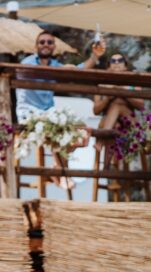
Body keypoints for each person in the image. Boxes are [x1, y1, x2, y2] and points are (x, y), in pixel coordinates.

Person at [16, 31, 105, 189]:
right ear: (36, 46)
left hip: (49, 115)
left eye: (50, 42)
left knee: (82, 130)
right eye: (42, 42)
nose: (46, 44)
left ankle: (56, 169)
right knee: (58, 130)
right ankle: (62, 173)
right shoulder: (27, 62)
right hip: (29, 114)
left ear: (54, 47)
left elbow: (79, 70)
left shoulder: (55, 65)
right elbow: (26, 74)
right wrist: (64, 69)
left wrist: (94, 56)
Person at [93, 53, 145, 169]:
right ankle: (115, 170)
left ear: (125, 66)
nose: (116, 63)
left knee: (117, 104)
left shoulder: (133, 82)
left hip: (129, 121)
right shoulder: (102, 83)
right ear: (108, 66)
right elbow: (95, 110)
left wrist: (123, 91)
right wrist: (107, 98)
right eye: (113, 61)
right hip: (110, 122)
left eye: (120, 60)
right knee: (116, 125)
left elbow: (141, 105)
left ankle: (106, 166)